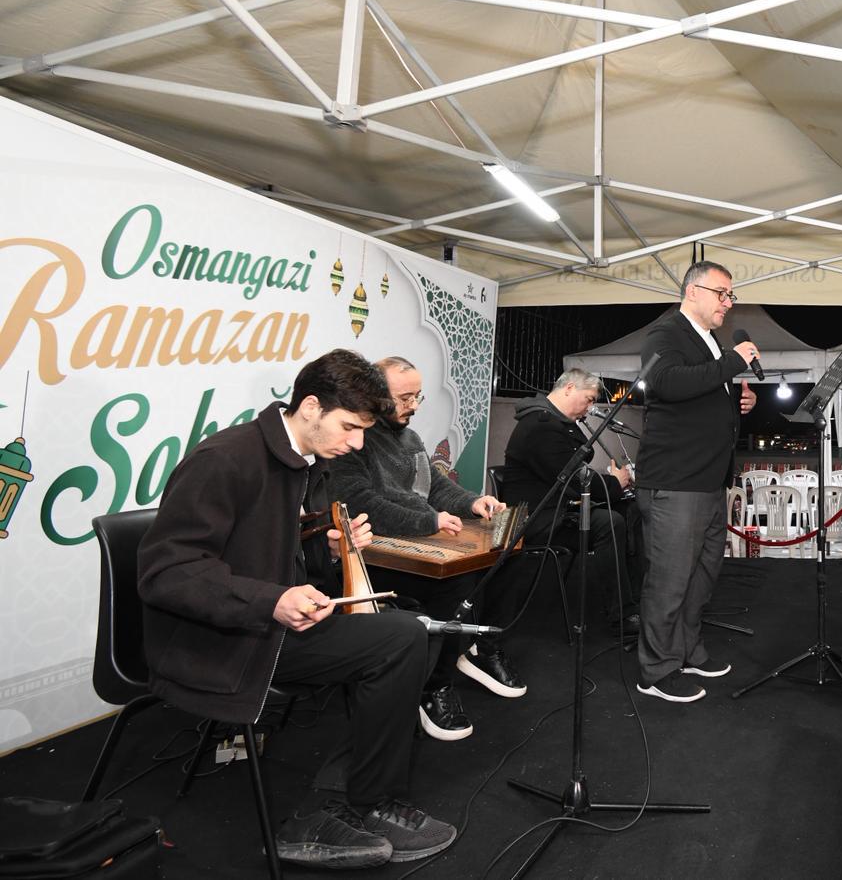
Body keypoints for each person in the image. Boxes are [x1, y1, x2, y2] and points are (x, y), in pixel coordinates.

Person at [138, 349, 456, 867]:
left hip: (266, 626)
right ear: (310, 407)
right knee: (399, 640)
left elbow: (271, 554)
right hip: (219, 640)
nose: (357, 443)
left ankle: (355, 798)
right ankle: (349, 805)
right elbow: (165, 573)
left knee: (410, 628)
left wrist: (325, 549)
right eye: (350, 428)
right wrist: (272, 599)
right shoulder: (225, 460)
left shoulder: (305, 464)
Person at [329, 356, 524, 742]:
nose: (414, 406)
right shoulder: (353, 438)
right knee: (455, 584)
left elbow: (435, 486)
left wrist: (472, 502)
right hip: (374, 555)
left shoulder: (411, 438)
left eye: (417, 396)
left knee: (505, 558)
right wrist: (429, 521)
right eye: (404, 398)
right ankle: (433, 685)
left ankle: (479, 648)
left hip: (415, 543)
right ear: (376, 394)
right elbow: (359, 502)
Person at [633, 261, 757, 703]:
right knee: (669, 580)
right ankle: (656, 669)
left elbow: (700, 393)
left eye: (731, 295)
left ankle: (686, 649)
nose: (728, 303)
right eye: (722, 293)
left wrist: (737, 399)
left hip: (707, 481)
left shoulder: (709, 341)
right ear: (692, 292)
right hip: (676, 480)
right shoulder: (666, 334)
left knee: (701, 576)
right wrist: (732, 363)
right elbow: (666, 383)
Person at [499, 366, 641, 630]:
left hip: (554, 512)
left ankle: (633, 601)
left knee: (626, 511)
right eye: (588, 399)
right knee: (610, 523)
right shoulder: (540, 426)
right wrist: (615, 482)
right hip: (537, 520)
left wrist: (612, 485)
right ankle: (622, 615)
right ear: (569, 388)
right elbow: (574, 476)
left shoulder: (552, 422)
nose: (589, 409)